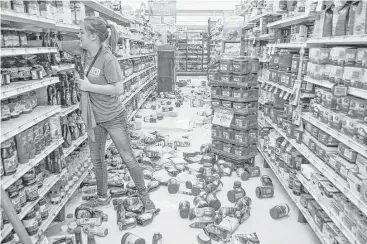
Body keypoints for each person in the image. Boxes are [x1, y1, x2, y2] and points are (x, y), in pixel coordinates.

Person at [58, 17, 156, 211]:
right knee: (97, 159)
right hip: (93, 118)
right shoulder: (81, 50)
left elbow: (118, 89)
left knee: (128, 157)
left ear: (93, 36)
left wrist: (89, 86)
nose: (78, 35)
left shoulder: (108, 59)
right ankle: (103, 197)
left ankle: (144, 197)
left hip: (113, 117)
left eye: (81, 32)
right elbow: (57, 43)